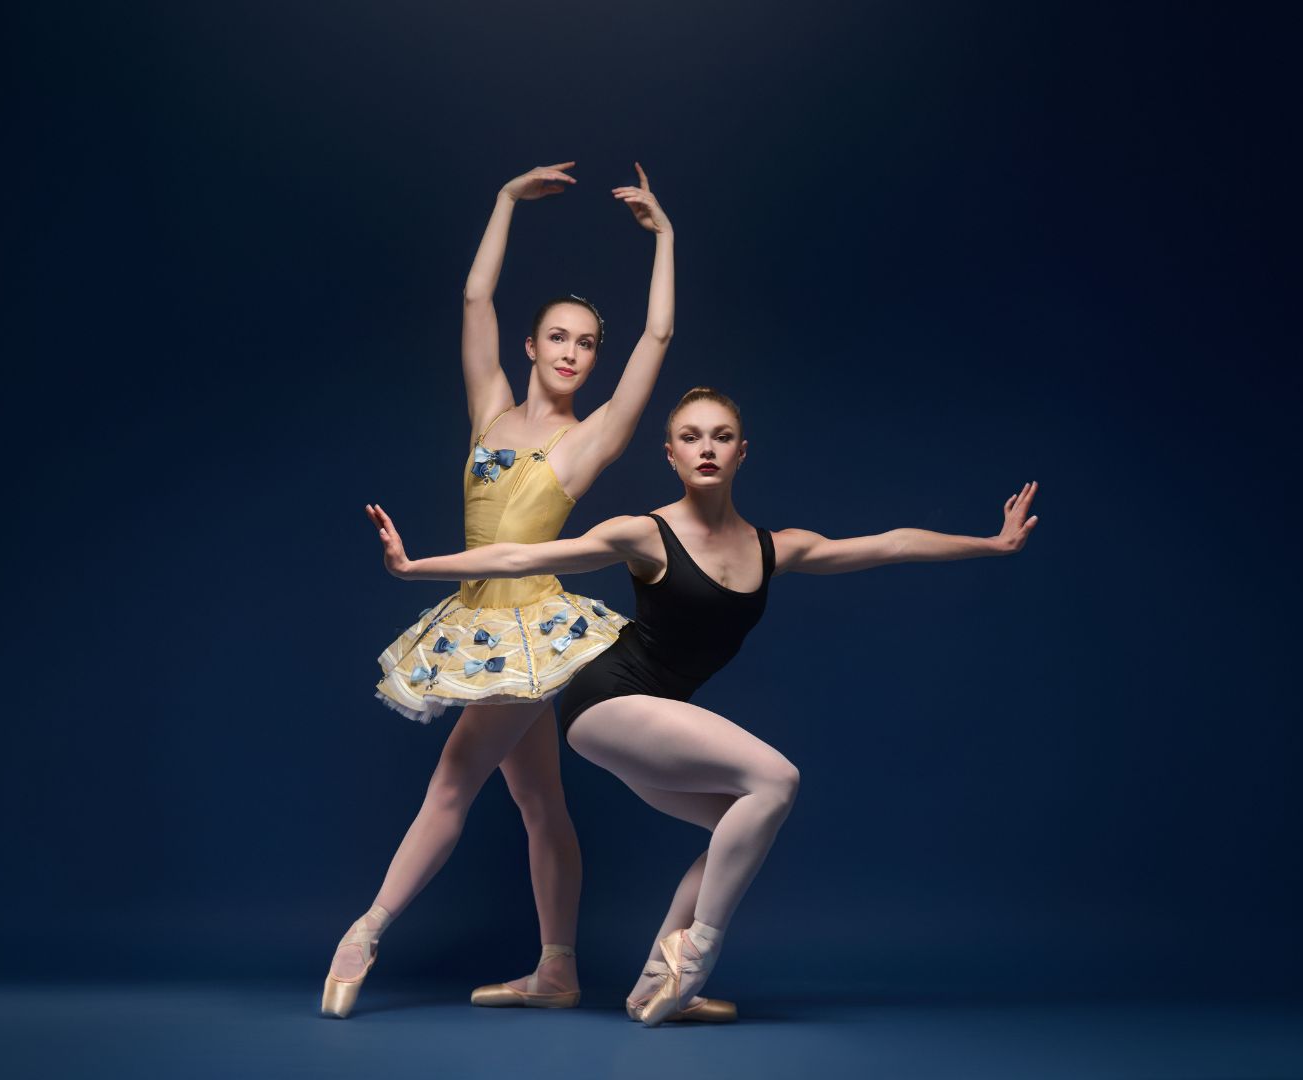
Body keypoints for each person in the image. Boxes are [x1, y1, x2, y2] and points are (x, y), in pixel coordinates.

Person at [365, 386, 1040, 1026]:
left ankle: (657, 982)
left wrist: (991, 543)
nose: (706, 448)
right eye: (691, 437)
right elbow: (526, 556)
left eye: (721, 437)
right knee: (776, 778)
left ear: (742, 452)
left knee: (737, 833)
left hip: (657, 724)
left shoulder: (774, 549)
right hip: (610, 702)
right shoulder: (645, 534)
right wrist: (414, 567)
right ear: (671, 454)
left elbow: (889, 544)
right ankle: (695, 953)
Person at [322, 162, 676, 1019]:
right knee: (538, 799)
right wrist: (504, 202)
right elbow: (476, 297)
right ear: (531, 346)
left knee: (453, 781)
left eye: (585, 343)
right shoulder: (490, 410)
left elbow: (657, 339)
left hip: (529, 626)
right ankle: (557, 970)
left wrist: (665, 238)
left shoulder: (588, 441)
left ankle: (366, 930)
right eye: (558, 337)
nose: (572, 353)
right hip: (476, 618)